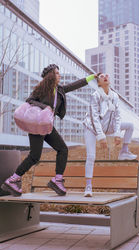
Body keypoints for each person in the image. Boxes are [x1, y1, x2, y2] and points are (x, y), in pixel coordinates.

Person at [1, 64, 96, 197]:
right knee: (35, 156)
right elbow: (30, 100)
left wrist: (92, 77)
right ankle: (13, 180)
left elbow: (75, 85)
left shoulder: (60, 90)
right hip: (36, 125)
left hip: (47, 126)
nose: (59, 75)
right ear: (51, 75)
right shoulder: (42, 88)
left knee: (62, 149)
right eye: (57, 73)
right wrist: (45, 107)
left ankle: (57, 180)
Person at [83, 73, 137, 197]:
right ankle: (88, 186)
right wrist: (101, 137)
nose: (105, 77)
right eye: (102, 76)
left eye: (107, 75)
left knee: (130, 126)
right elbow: (94, 118)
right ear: (99, 83)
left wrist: (117, 134)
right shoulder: (95, 96)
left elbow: (118, 116)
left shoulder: (115, 97)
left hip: (108, 126)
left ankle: (124, 151)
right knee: (91, 156)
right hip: (91, 127)